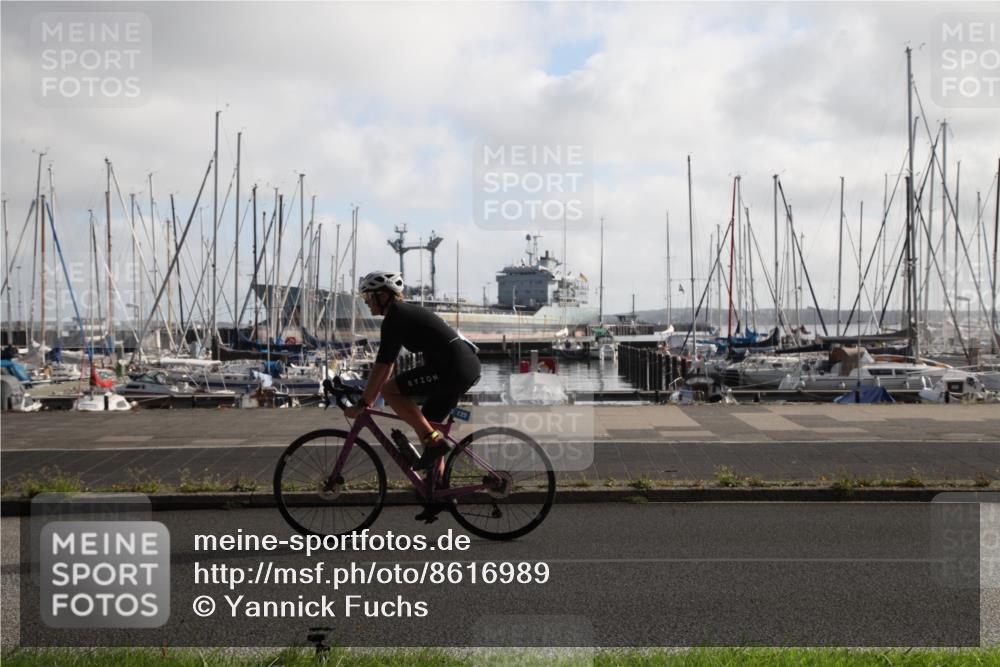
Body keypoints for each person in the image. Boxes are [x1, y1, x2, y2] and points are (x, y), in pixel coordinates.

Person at [343, 270, 481, 521]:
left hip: (453, 369)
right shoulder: (400, 315)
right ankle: (437, 492)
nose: (365, 300)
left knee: (395, 396)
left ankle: (434, 441)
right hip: (458, 367)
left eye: (368, 295)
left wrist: (365, 402)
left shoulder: (396, 316)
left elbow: (383, 366)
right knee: (429, 421)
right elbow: (390, 365)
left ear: (383, 295)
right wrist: (368, 398)